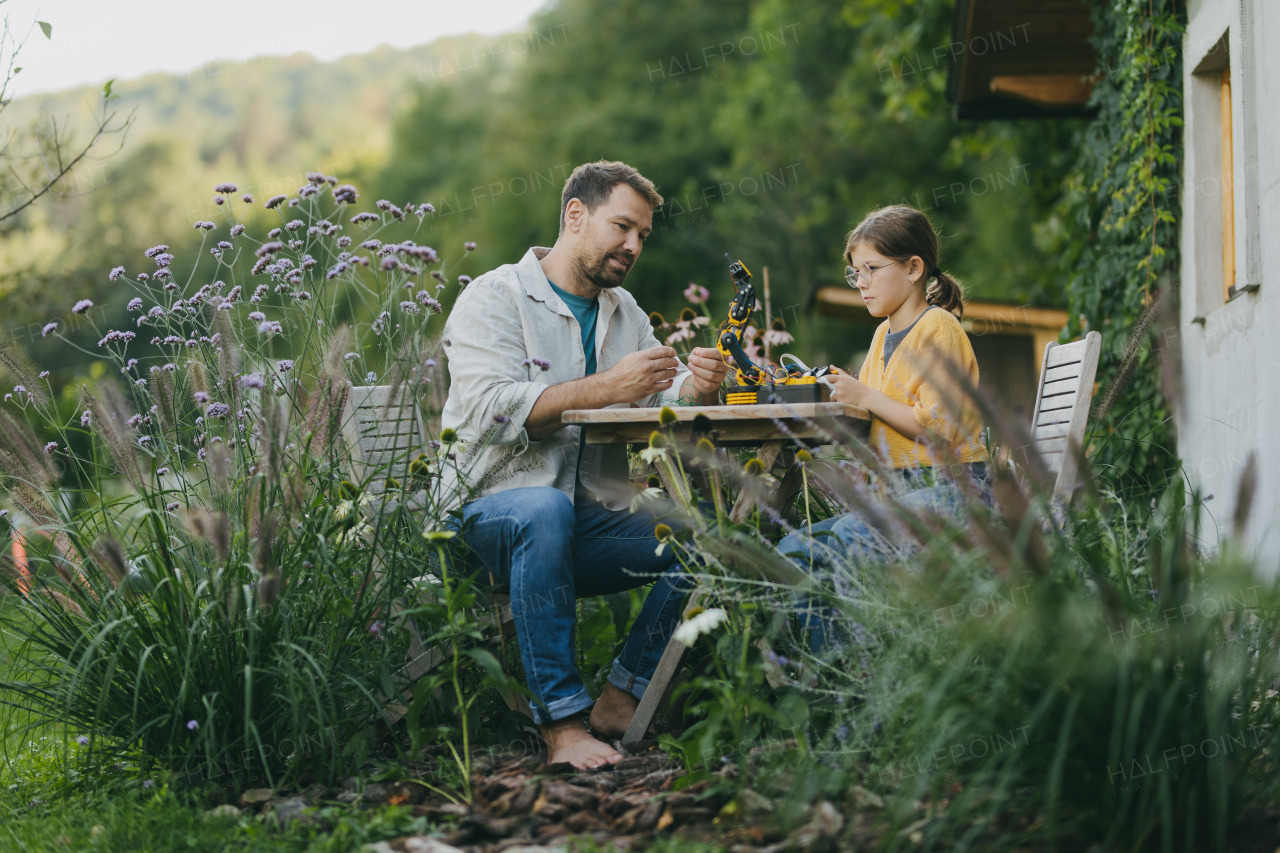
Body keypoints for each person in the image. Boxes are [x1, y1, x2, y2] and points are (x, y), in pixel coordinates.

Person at [439, 160, 729, 770]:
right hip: (483, 521)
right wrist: (603, 387)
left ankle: (623, 696)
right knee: (543, 511)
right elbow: (489, 412)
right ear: (576, 215)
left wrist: (695, 388)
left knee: (706, 531)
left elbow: (655, 398)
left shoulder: (625, 313)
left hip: (585, 525)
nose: (634, 245)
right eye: (622, 227)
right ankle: (563, 728)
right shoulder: (493, 298)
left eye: (643, 235)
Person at [777, 204, 989, 651]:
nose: (862, 284)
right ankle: (834, 675)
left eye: (871, 269)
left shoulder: (939, 327)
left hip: (957, 491)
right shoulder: (881, 338)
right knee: (794, 549)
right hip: (903, 490)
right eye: (856, 273)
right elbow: (875, 415)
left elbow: (939, 428)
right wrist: (837, 395)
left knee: (846, 538)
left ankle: (866, 667)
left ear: (914, 268)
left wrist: (866, 397)